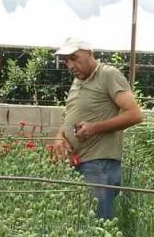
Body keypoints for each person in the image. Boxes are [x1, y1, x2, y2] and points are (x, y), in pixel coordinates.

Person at [53, 37, 143, 220]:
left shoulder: (108, 74)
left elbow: (134, 114)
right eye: (66, 61)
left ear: (89, 53)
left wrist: (95, 128)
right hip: (78, 163)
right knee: (81, 224)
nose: (70, 65)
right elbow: (68, 117)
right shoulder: (77, 82)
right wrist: (59, 137)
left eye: (74, 57)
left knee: (97, 226)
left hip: (100, 165)